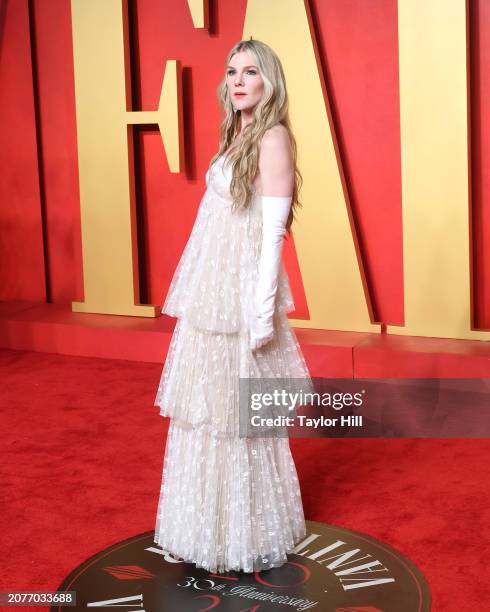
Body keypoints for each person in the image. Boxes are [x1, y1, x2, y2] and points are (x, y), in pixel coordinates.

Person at [153, 39, 313, 574]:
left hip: (241, 295)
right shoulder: (237, 133)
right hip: (212, 293)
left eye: (251, 72)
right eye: (232, 71)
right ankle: (207, 527)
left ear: (270, 81)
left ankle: (246, 530)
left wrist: (262, 312)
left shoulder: (272, 138)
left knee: (238, 417)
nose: (238, 80)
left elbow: (272, 235)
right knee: (208, 412)